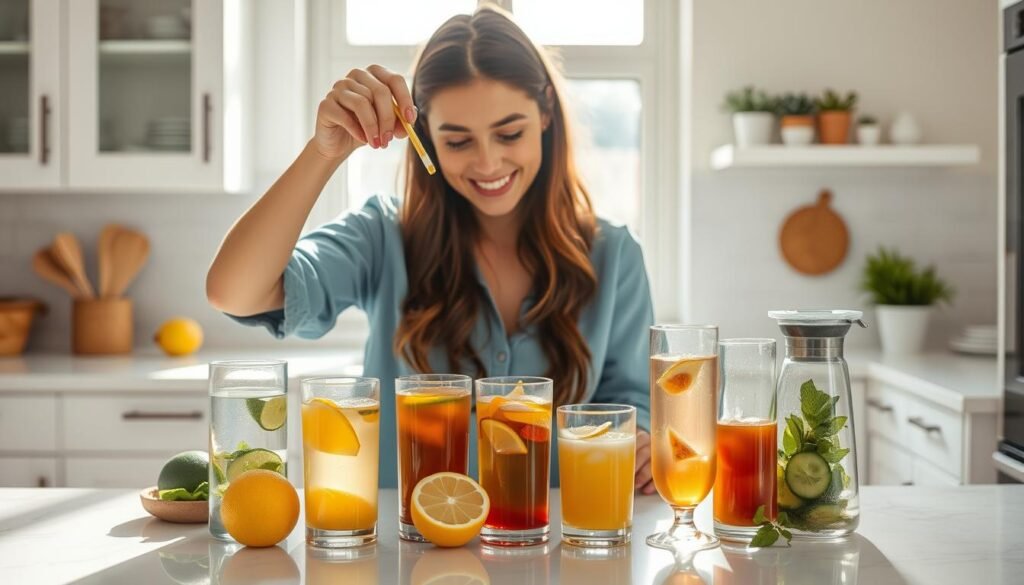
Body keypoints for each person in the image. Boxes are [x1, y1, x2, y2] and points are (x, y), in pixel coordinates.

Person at [206, 5, 657, 493]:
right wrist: (324, 151)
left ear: (546, 111)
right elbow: (235, 292)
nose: (488, 163)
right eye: (458, 140)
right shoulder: (383, 236)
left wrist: (643, 447)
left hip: (547, 552)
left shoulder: (615, 257)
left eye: (510, 133)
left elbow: (631, 411)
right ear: (426, 140)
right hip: (402, 555)